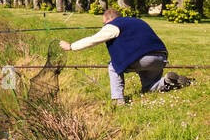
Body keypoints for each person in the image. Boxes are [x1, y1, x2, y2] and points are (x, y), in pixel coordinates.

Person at [59, 8, 193, 105]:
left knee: (113, 66)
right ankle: (167, 81)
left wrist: (71, 46)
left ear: (108, 19)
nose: (104, 26)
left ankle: (118, 100)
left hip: (141, 58)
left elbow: (93, 39)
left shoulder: (112, 26)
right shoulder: (138, 21)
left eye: (104, 23)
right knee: (149, 87)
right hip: (160, 57)